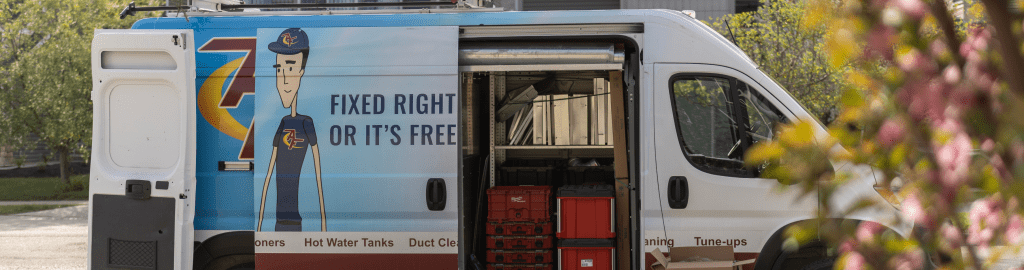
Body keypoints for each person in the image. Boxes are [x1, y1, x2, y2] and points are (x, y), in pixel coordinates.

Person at [258, 28, 326, 232]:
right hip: (278, 222)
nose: (284, 79)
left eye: (290, 68)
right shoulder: (283, 122)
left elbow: (318, 179)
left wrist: (323, 229)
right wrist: (260, 226)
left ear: (302, 72)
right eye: (279, 69)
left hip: (296, 221)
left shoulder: (307, 124)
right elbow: (267, 176)